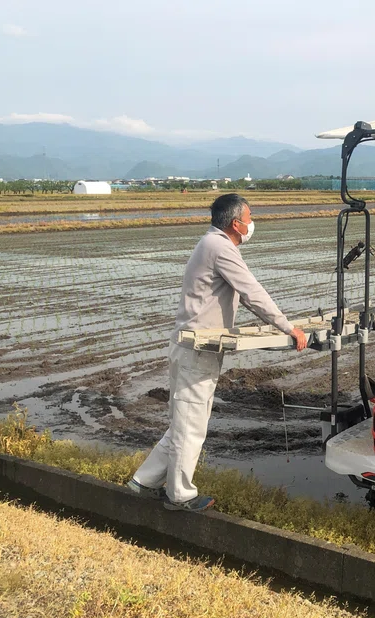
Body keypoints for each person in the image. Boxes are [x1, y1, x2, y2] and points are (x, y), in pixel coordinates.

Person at [128, 193, 307, 512]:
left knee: (183, 421)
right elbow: (251, 291)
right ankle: (179, 496)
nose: (253, 224)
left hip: (194, 346)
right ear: (236, 223)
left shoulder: (212, 244)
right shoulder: (220, 247)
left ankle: (144, 481)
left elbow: (241, 295)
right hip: (196, 348)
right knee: (190, 424)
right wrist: (287, 328)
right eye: (250, 218)